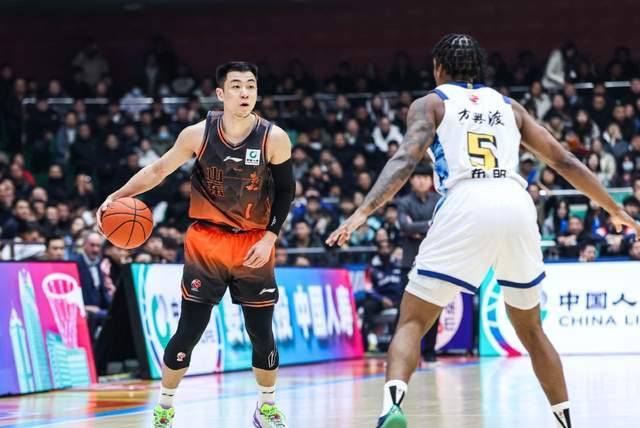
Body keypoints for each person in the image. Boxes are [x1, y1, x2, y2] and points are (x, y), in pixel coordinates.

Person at [326, 34, 640, 428]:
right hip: (515, 200)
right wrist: (614, 208)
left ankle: (392, 407)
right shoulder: (510, 106)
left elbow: (405, 159)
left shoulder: (431, 103)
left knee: (412, 321)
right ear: (479, 69)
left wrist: (362, 212)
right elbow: (564, 160)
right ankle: (566, 422)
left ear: (439, 68)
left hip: (466, 200)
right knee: (531, 329)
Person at [97, 62, 294, 428]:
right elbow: (158, 170)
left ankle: (266, 407)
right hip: (207, 242)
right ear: (221, 94)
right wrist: (117, 196)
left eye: (251, 86)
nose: (245, 92)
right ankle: (164, 408)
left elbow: (285, 190)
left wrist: (271, 237)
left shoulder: (274, 137)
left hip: (253, 243)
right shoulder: (197, 134)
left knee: (261, 334)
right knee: (189, 330)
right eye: (236, 86)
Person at [394, 163, 441, 362]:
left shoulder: (438, 200)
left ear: (431, 180)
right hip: (409, 262)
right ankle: (401, 353)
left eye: (425, 177)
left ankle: (430, 352)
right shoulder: (404, 202)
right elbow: (405, 227)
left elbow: (442, 225)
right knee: (404, 311)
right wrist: (429, 225)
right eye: (417, 177)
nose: (421, 181)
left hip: (433, 262)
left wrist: (417, 228)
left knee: (433, 308)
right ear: (411, 180)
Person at [75, 232, 111, 339]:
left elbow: (102, 292)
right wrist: (85, 307)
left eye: (98, 246)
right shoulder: (75, 263)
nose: (95, 249)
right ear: (84, 245)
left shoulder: (98, 264)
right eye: (92, 245)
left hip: (99, 309)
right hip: (84, 310)